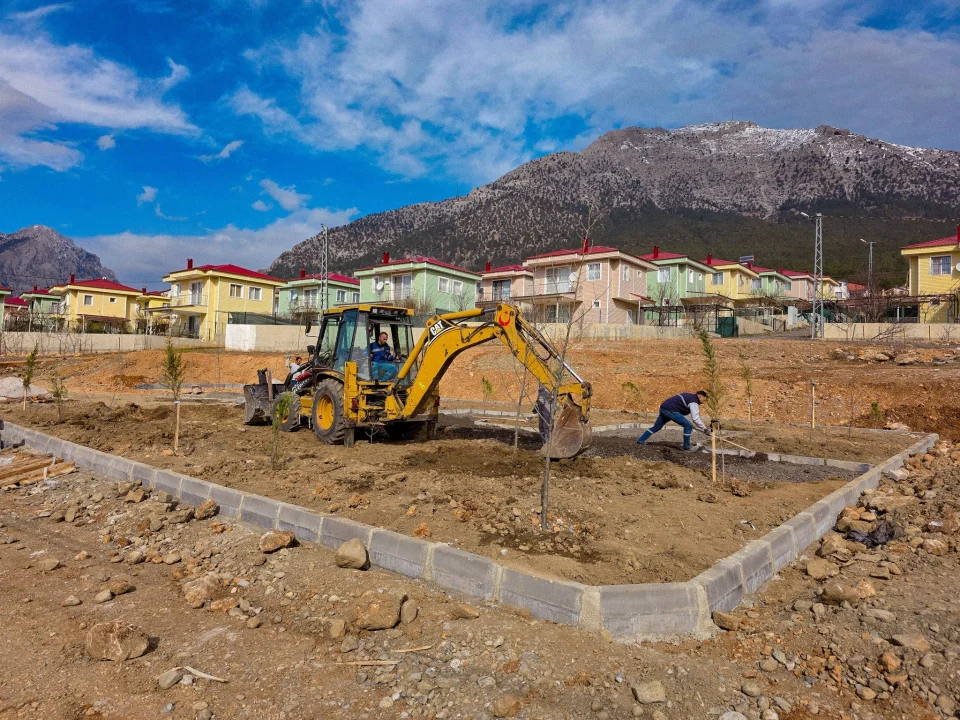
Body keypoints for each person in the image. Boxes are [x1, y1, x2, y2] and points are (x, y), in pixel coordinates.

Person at [636, 390, 712, 450]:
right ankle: (687, 447)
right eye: (704, 400)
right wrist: (704, 428)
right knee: (688, 426)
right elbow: (695, 418)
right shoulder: (693, 402)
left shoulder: (688, 396)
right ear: (700, 396)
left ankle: (640, 440)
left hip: (664, 409)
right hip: (671, 410)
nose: (703, 403)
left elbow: (685, 413)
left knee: (656, 427)